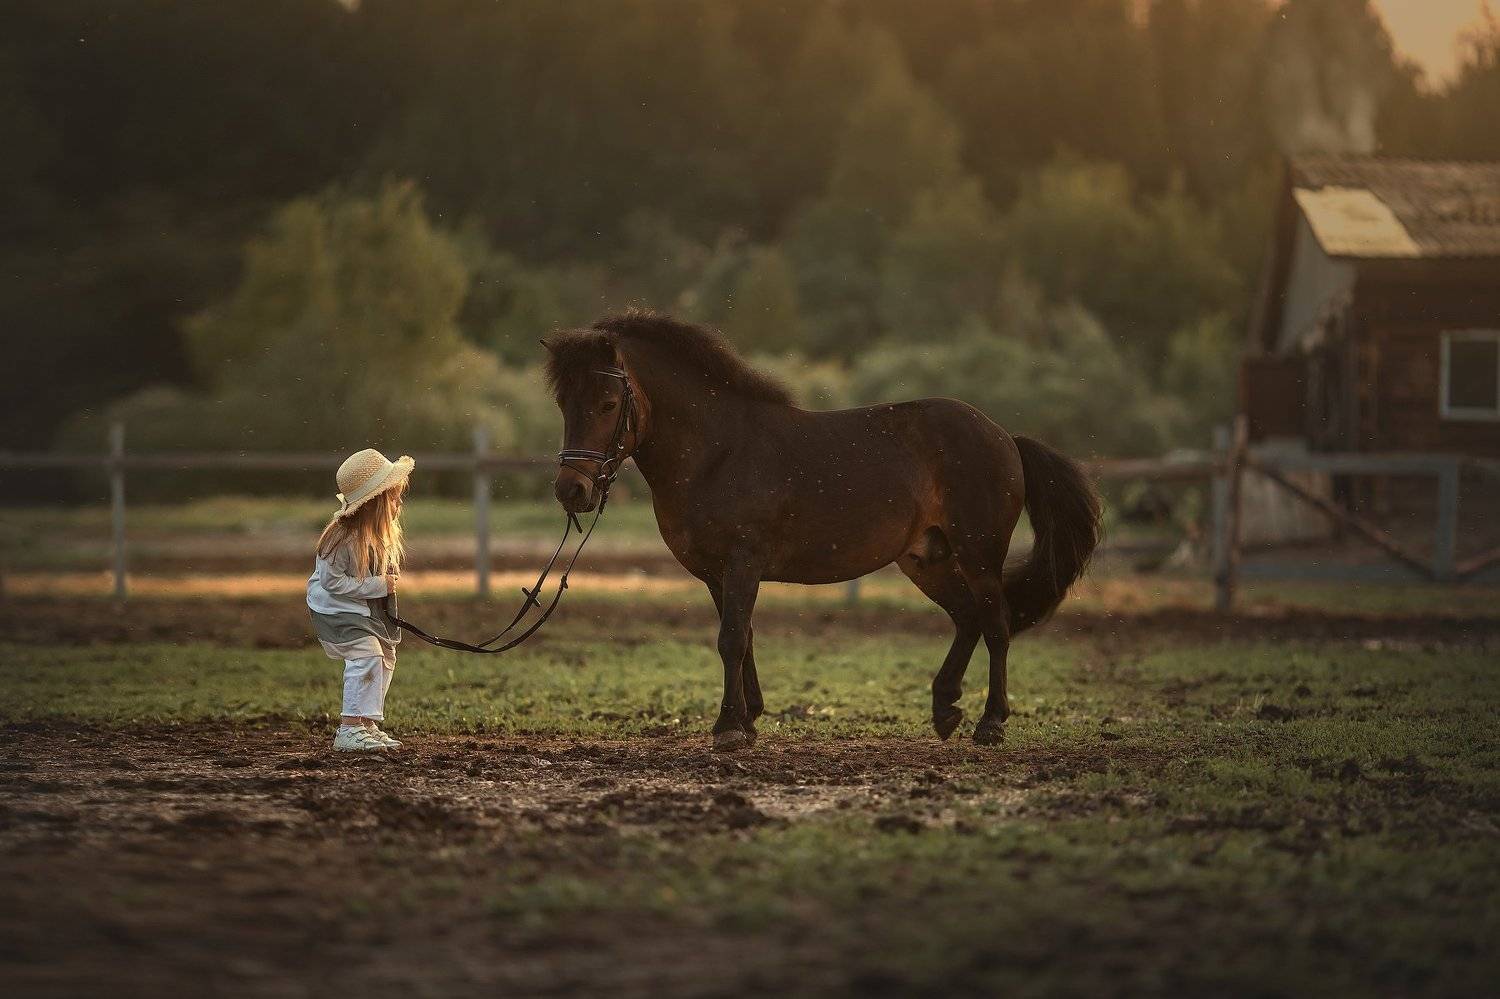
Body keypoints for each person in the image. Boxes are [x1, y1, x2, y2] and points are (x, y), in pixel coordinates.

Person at [307, 448, 414, 752]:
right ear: (377, 503)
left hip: (360, 609)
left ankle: (367, 723)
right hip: (337, 611)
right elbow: (331, 583)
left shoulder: (374, 536)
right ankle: (349, 728)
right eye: (393, 498)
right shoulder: (341, 538)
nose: (399, 503)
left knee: (385, 656)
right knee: (367, 655)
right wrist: (378, 585)